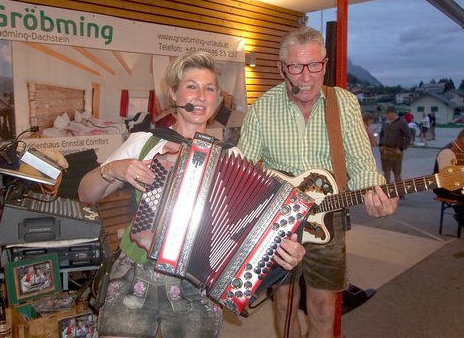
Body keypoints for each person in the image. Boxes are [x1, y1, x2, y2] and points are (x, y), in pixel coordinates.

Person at [78, 51, 306, 338]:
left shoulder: (232, 157)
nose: (200, 96)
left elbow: (250, 231)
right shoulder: (145, 142)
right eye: (191, 86)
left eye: (209, 88)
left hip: (197, 285)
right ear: (174, 93)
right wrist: (113, 169)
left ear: (217, 98)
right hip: (136, 274)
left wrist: (281, 253)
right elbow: (85, 193)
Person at [237, 26, 398, 338]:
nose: (306, 77)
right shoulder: (262, 108)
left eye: (314, 65)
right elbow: (242, 169)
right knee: (284, 303)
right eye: (296, 67)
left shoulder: (344, 103)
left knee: (324, 305)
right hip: (278, 222)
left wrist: (376, 193)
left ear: (325, 64)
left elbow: (361, 163)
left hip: (329, 216)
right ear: (281, 69)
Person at [379, 105, 411, 185]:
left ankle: (399, 192)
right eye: (386, 114)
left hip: (396, 151)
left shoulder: (401, 122)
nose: (387, 115)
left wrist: (401, 148)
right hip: (385, 151)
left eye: (388, 113)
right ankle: (386, 191)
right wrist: (380, 145)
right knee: (386, 171)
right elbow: (381, 134)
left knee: (397, 172)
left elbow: (408, 136)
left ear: (393, 113)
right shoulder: (385, 123)